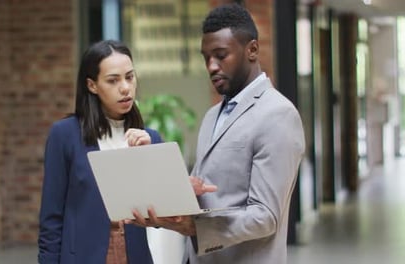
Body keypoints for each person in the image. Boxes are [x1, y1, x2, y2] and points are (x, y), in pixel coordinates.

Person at [127, 4, 305, 264]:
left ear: (252, 50)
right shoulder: (212, 116)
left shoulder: (278, 115)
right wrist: (172, 190)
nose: (211, 66)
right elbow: (212, 192)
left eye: (221, 55)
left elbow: (265, 216)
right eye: (206, 57)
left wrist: (195, 228)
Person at [38, 40, 161, 263]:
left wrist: (149, 155)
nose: (125, 87)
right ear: (92, 85)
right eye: (113, 80)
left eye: (130, 77)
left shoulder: (148, 139)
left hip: (135, 255)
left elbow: (165, 213)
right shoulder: (64, 135)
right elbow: (51, 219)